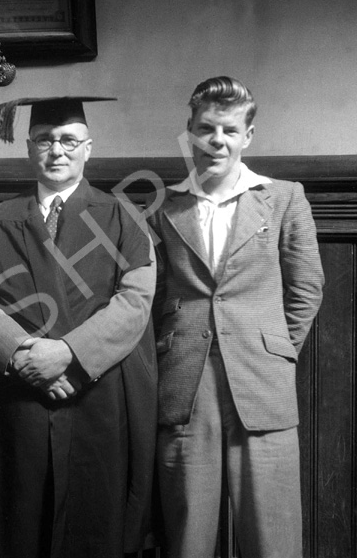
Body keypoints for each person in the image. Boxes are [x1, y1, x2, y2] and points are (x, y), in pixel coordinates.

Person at [0, 96, 158, 558]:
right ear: (28, 148)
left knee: (93, 523)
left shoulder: (123, 216)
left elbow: (136, 301)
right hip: (12, 391)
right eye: (45, 140)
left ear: (89, 148)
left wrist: (67, 354)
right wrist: (22, 351)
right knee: (11, 522)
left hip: (94, 389)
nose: (57, 150)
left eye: (69, 140)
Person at [148, 77, 324, 558]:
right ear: (190, 132)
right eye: (206, 129)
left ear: (248, 136)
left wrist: (273, 348)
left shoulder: (284, 196)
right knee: (188, 536)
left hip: (262, 381)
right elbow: (156, 294)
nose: (216, 141)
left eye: (229, 130)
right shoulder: (163, 205)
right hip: (184, 381)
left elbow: (306, 287)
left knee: (273, 538)